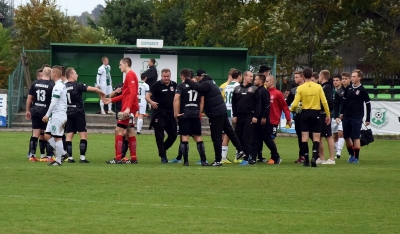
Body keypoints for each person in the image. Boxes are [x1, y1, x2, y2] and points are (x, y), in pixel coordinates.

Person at [184, 69, 246, 166]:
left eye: (197, 77)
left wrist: (187, 80)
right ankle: (240, 150)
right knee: (229, 131)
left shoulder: (206, 84)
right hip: (222, 110)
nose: (197, 80)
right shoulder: (211, 82)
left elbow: (196, 87)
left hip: (215, 113)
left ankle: (218, 160)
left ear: (200, 76)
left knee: (216, 136)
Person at [290, 68, 330, 167]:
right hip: (316, 113)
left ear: (303, 76)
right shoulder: (318, 87)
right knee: (316, 137)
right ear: (311, 75)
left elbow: (295, 103)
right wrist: (328, 114)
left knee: (304, 137)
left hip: (305, 113)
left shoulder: (300, 88)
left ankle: (306, 159)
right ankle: (314, 156)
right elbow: (324, 101)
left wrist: (291, 110)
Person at [64, 68, 105, 163]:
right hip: (78, 112)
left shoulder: (64, 87)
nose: (77, 75)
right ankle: (82, 158)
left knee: (69, 135)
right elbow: (93, 89)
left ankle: (70, 158)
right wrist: (101, 92)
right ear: (71, 75)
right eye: (75, 73)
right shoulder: (78, 85)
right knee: (83, 135)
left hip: (68, 112)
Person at [103, 58, 139, 164]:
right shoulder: (130, 75)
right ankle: (133, 158)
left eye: (120, 65)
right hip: (132, 106)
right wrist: (111, 100)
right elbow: (125, 94)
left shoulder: (130, 75)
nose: (119, 67)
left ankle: (118, 158)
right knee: (130, 131)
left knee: (118, 130)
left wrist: (128, 108)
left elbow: (132, 93)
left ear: (126, 64)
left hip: (128, 107)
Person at [173, 68, 208, 166]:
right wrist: (199, 112)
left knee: (184, 136)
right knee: (198, 136)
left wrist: (176, 113)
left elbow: (176, 99)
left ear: (182, 76)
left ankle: (186, 161)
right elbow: (202, 101)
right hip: (195, 114)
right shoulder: (198, 86)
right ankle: (204, 160)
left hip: (185, 114)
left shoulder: (181, 86)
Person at [145, 68, 178, 163]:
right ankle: (163, 157)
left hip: (170, 113)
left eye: (168, 76)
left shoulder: (174, 85)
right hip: (159, 113)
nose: (166, 78)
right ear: (161, 76)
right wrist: (151, 102)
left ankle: (162, 150)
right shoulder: (156, 85)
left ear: (170, 76)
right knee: (160, 136)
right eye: (164, 76)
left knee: (173, 135)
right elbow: (147, 96)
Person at [249, 73, 282, 165]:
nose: (254, 80)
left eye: (256, 79)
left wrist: (264, 117)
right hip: (257, 118)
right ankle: (252, 157)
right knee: (255, 138)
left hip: (262, 119)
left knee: (267, 139)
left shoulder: (263, 91)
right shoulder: (257, 90)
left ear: (260, 81)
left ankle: (276, 156)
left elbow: (267, 105)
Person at [340, 69, 371, 164]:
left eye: (354, 76)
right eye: (352, 76)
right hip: (347, 116)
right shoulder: (348, 88)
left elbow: (368, 104)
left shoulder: (362, 90)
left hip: (357, 116)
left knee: (356, 136)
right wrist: (342, 113)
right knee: (346, 136)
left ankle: (356, 157)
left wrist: (368, 118)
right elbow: (344, 102)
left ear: (359, 78)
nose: (352, 78)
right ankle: (351, 154)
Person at [25, 67, 55, 162]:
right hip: (46, 112)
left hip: (36, 111)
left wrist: (28, 110)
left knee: (35, 134)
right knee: (47, 134)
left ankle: (32, 155)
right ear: (50, 74)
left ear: (42, 74)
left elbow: (29, 98)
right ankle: (49, 156)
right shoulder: (52, 85)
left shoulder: (35, 83)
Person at [231, 71, 261, 165]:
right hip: (239, 116)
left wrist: (255, 116)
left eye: (252, 76)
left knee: (246, 137)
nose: (252, 78)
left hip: (249, 116)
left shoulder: (254, 89)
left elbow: (258, 104)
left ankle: (247, 158)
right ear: (244, 77)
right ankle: (242, 154)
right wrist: (235, 115)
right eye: (250, 76)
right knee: (238, 136)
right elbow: (234, 103)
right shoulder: (237, 89)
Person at [42, 66, 69, 166]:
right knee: (47, 135)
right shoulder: (58, 85)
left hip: (58, 115)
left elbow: (54, 102)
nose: (50, 75)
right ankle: (63, 153)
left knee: (58, 137)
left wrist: (47, 115)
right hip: (55, 115)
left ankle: (58, 160)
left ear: (55, 75)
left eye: (51, 73)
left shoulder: (58, 86)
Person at [264, 75, 292, 164]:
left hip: (273, 120)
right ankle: (264, 156)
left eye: (267, 81)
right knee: (265, 139)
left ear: (272, 82)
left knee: (272, 139)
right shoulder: (265, 92)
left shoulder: (277, 93)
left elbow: (284, 106)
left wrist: (288, 119)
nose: (265, 83)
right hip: (265, 120)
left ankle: (275, 157)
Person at [221, 69, 242, 163]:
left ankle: (223, 156)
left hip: (226, 110)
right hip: (234, 112)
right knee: (236, 133)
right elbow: (238, 101)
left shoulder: (228, 85)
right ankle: (237, 156)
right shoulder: (238, 86)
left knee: (227, 134)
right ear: (239, 76)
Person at [286, 70, 306, 163]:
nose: (295, 79)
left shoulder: (309, 88)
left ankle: (317, 155)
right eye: (294, 77)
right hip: (298, 117)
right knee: (300, 137)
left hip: (308, 116)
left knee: (313, 136)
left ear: (303, 77)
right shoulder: (294, 90)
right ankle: (302, 156)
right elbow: (287, 103)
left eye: (297, 77)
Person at [317, 70, 335, 165]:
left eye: (319, 77)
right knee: (319, 136)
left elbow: (329, 101)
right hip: (321, 114)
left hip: (325, 114)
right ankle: (321, 157)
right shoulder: (323, 87)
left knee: (328, 136)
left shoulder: (327, 87)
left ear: (322, 77)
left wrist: (328, 113)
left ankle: (332, 158)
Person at [332, 74, 346, 159]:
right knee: (334, 135)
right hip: (332, 116)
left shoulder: (343, 91)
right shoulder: (331, 91)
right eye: (334, 80)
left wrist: (342, 114)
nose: (335, 82)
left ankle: (339, 151)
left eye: (337, 80)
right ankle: (337, 150)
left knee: (341, 133)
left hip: (341, 116)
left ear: (340, 81)